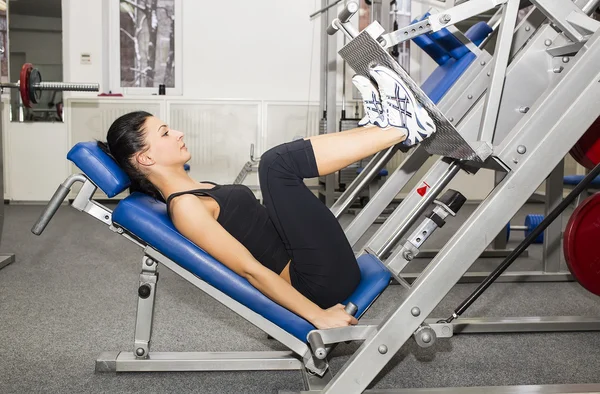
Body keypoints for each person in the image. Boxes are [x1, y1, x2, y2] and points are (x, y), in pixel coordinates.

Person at [98, 65, 436, 330]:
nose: (178, 132)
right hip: (316, 283)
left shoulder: (193, 188)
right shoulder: (185, 206)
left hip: (313, 266)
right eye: (165, 133)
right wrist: (317, 316)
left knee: (283, 160)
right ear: (144, 158)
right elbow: (250, 270)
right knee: (276, 165)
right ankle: (400, 128)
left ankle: (383, 127)